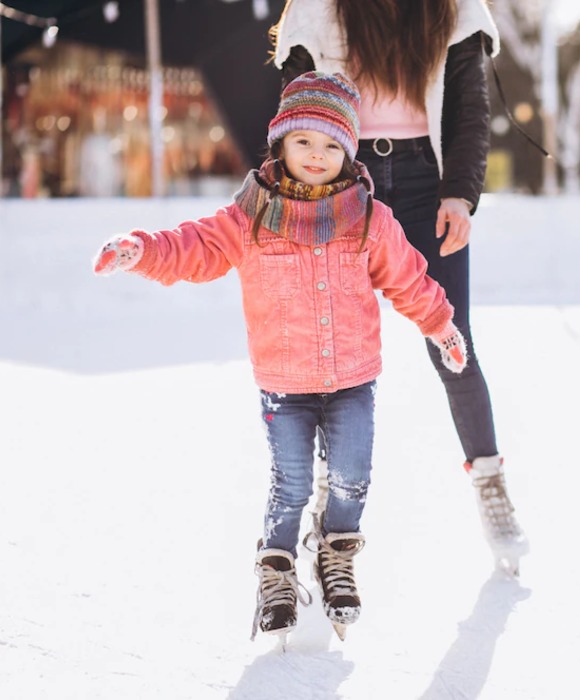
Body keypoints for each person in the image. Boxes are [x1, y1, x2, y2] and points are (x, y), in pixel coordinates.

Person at [91, 71, 468, 642]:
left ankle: (336, 553)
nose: (317, 156)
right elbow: (195, 247)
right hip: (284, 382)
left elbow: (408, 280)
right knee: (291, 483)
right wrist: (143, 250)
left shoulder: (368, 217)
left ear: (348, 152)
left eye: (331, 145)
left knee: (351, 478)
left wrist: (441, 323)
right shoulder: (250, 217)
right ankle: (275, 568)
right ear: (280, 144)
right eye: (304, 142)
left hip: (352, 377)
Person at [270, 0, 528, 575]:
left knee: (452, 341)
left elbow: (469, 109)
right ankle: (321, 490)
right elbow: (297, 102)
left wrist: (460, 194)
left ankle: (488, 480)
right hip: (341, 176)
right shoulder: (316, 7)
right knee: (325, 343)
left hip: (425, 181)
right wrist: (298, 188)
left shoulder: (454, 9)